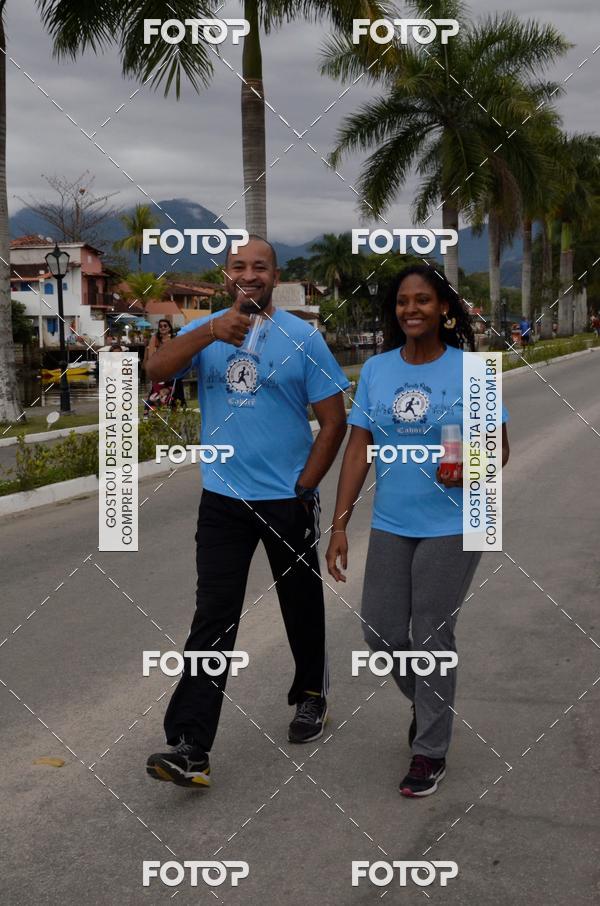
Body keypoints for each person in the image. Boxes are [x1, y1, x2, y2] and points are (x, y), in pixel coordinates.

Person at [145, 235, 349, 788]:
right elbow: (156, 370)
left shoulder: (302, 337)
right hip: (223, 503)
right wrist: (209, 331)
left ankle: (310, 695)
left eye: (260, 266)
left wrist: (305, 484)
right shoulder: (205, 331)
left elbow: (335, 420)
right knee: (213, 616)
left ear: (275, 274)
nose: (250, 274)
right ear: (226, 275)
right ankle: (190, 745)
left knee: (300, 605)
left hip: (287, 501)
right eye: (239, 266)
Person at [326, 264, 510, 798]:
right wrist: (340, 525)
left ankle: (429, 751)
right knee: (381, 632)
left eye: (423, 300)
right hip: (392, 523)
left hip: (454, 521)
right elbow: (359, 448)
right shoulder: (378, 370)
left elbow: (497, 450)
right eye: (403, 301)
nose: (412, 309)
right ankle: (430, 702)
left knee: (431, 635)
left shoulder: (472, 371)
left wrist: (465, 459)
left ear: (444, 309)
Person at [143, 319, 186, 414]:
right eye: (160, 326)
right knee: (153, 400)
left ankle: (174, 419)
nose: (162, 327)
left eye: (165, 326)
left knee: (175, 399)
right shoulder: (155, 338)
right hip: (160, 373)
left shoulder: (175, 339)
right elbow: (151, 356)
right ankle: (152, 418)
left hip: (173, 372)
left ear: (169, 328)